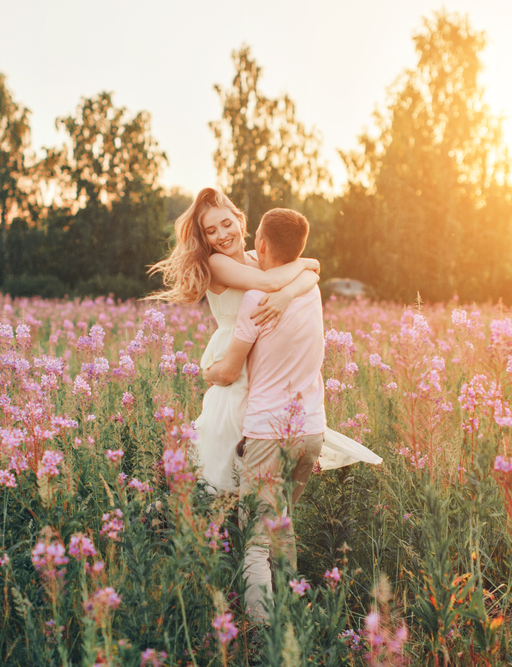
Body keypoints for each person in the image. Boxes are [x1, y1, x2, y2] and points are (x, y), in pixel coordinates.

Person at [149, 188, 380, 495]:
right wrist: (300, 270)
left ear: (240, 221)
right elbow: (279, 279)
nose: (222, 235)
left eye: (227, 224)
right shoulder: (217, 264)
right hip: (236, 364)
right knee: (229, 476)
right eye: (211, 231)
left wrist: (288, 292)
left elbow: (312, 275)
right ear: (204, 238)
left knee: (265, 465)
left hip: (263, 364)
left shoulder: (256, 258)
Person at [203, 207, 371, 622]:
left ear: (260, 244)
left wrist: (206, 372)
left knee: (256, 541)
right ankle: (291, 614)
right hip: (310, 433)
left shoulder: (256, 301)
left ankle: (263, 632)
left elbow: (229, 370)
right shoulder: (309, 292)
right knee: (282, 525)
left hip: (269, 433)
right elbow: (309, 271)